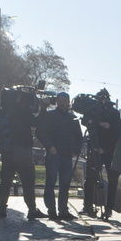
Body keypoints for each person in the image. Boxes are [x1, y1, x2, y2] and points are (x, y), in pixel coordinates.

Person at [0, 88, 44, 220]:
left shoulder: (2, 111)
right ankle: (32, 210)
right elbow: (36, 123)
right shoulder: (23, 111)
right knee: (28, 181)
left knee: (5, 181)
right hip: (23, 151)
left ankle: (1, 208)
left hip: (7, 151)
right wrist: (43, 108)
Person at [37, 92, 83, 221]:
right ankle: (51, 210)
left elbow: (79, 137)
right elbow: (40, 132)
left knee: (65, 184)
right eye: (60, 100)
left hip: (67, 155)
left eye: (65, 100)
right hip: (53, 154)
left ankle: (63, 210)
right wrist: (49, 146)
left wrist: (76, 150)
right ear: (56, 101)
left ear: (68, 102)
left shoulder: (73, 118)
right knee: (50, 183)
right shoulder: (49, 115)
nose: (62, 102)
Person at [82, 88, 121, 218]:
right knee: (90, 178)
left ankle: (109, 208)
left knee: (112, 180)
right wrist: (98, 122)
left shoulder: (114, 113)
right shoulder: (92, 110)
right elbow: (85, 121)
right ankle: (88, 206)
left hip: (110, 151)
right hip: (94, 147)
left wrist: (105, 149)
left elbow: (116, 133)